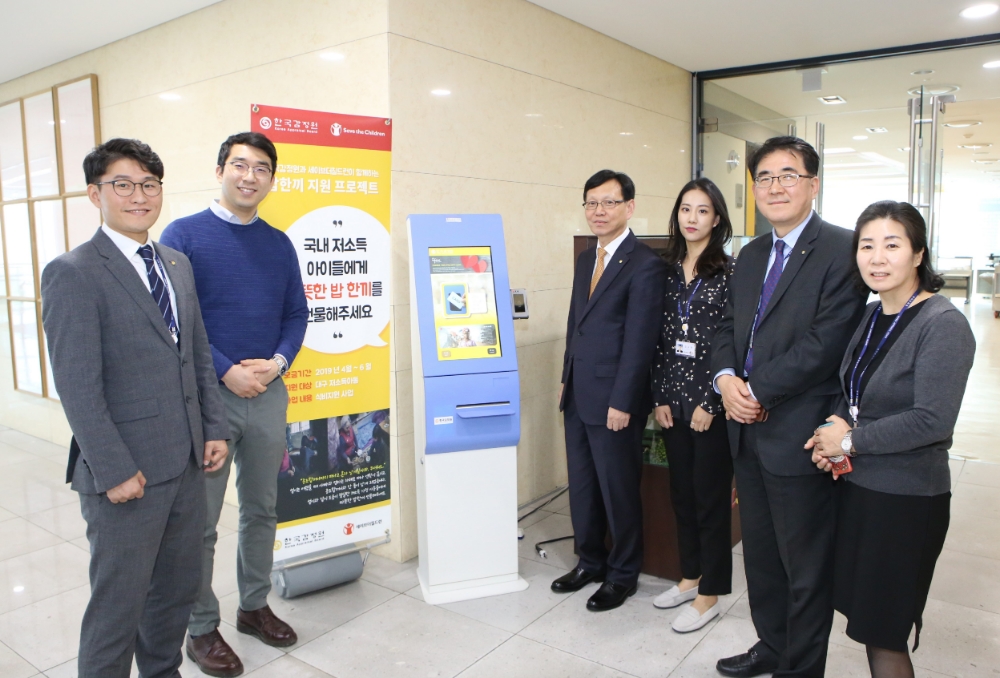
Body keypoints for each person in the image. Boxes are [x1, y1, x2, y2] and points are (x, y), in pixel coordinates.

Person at [41, 138, 230, 678]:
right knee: (117, 608)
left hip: (188, 463)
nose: (138, 195)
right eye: (122, 184)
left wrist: (212, 429)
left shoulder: (175, 263)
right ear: (94, 194)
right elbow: (77, 386)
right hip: (127, 475)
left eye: (149, 184)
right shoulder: (74, 272)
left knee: (174, 595)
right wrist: (115, 470)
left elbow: (193, 355)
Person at [711, 136, 868, 677]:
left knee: (804, 565)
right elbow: (728, 329)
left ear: (813, 184)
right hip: (745, 434)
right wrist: (726, 377)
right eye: (765, 177)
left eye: (788, 175)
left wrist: (755, 390)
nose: (775, 186)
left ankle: (799, 669)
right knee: (761, 557)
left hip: (800, 434)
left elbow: (825, 344)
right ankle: (771, 647)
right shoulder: (750, 254)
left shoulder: (842, 250)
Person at [160, 132, 309, 677]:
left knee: (263, 509)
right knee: (199, 523)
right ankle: (200, 628)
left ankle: (253, 606)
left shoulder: (278, 242)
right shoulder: (184, 235)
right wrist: (226, 370)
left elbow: (297, 314)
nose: (250, 176)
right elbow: (179, 321)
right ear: (220, 169)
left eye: (262, 168)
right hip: (208, 398)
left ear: (272, 179)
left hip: (269, 392)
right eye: (240, 165)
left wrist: (277, 363)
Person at [807, 201, 974, 678]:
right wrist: (830, 434)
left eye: (892, 244)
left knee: (885, 633)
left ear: (918, 253)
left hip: (905, 500)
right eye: (866, 245)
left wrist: (850, 442)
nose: (877, 257)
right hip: (860, 490)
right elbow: (851, 390)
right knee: (867, 622)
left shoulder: (942, 324)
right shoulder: (870, 314)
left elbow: (932, 420)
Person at [552, 169, 668, 611]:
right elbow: (575, 325)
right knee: (582, 485)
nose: (598, 211)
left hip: (615, 400)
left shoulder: (645, 264)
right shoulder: (586, 258)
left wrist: (623, 400)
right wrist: (566, 376)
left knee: (618, 489)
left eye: (608, 203)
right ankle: (590, 561)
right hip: (579, 393)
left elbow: (641, 341)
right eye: (591, 203)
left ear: (629, 207)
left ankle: (622, 574)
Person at [650, 178, 734, 633]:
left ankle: (711, 593)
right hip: (672, 402)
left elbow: (736, 341)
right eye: (686, 209)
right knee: (681, 495)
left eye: (703, 211)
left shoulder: (731, 271)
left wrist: (712, 402)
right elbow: (658, 339)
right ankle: (689, 576)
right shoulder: (663, 269)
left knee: (710, 500)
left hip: (710, 405)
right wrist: (659, 396)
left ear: (716, 219)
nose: (692, 218)